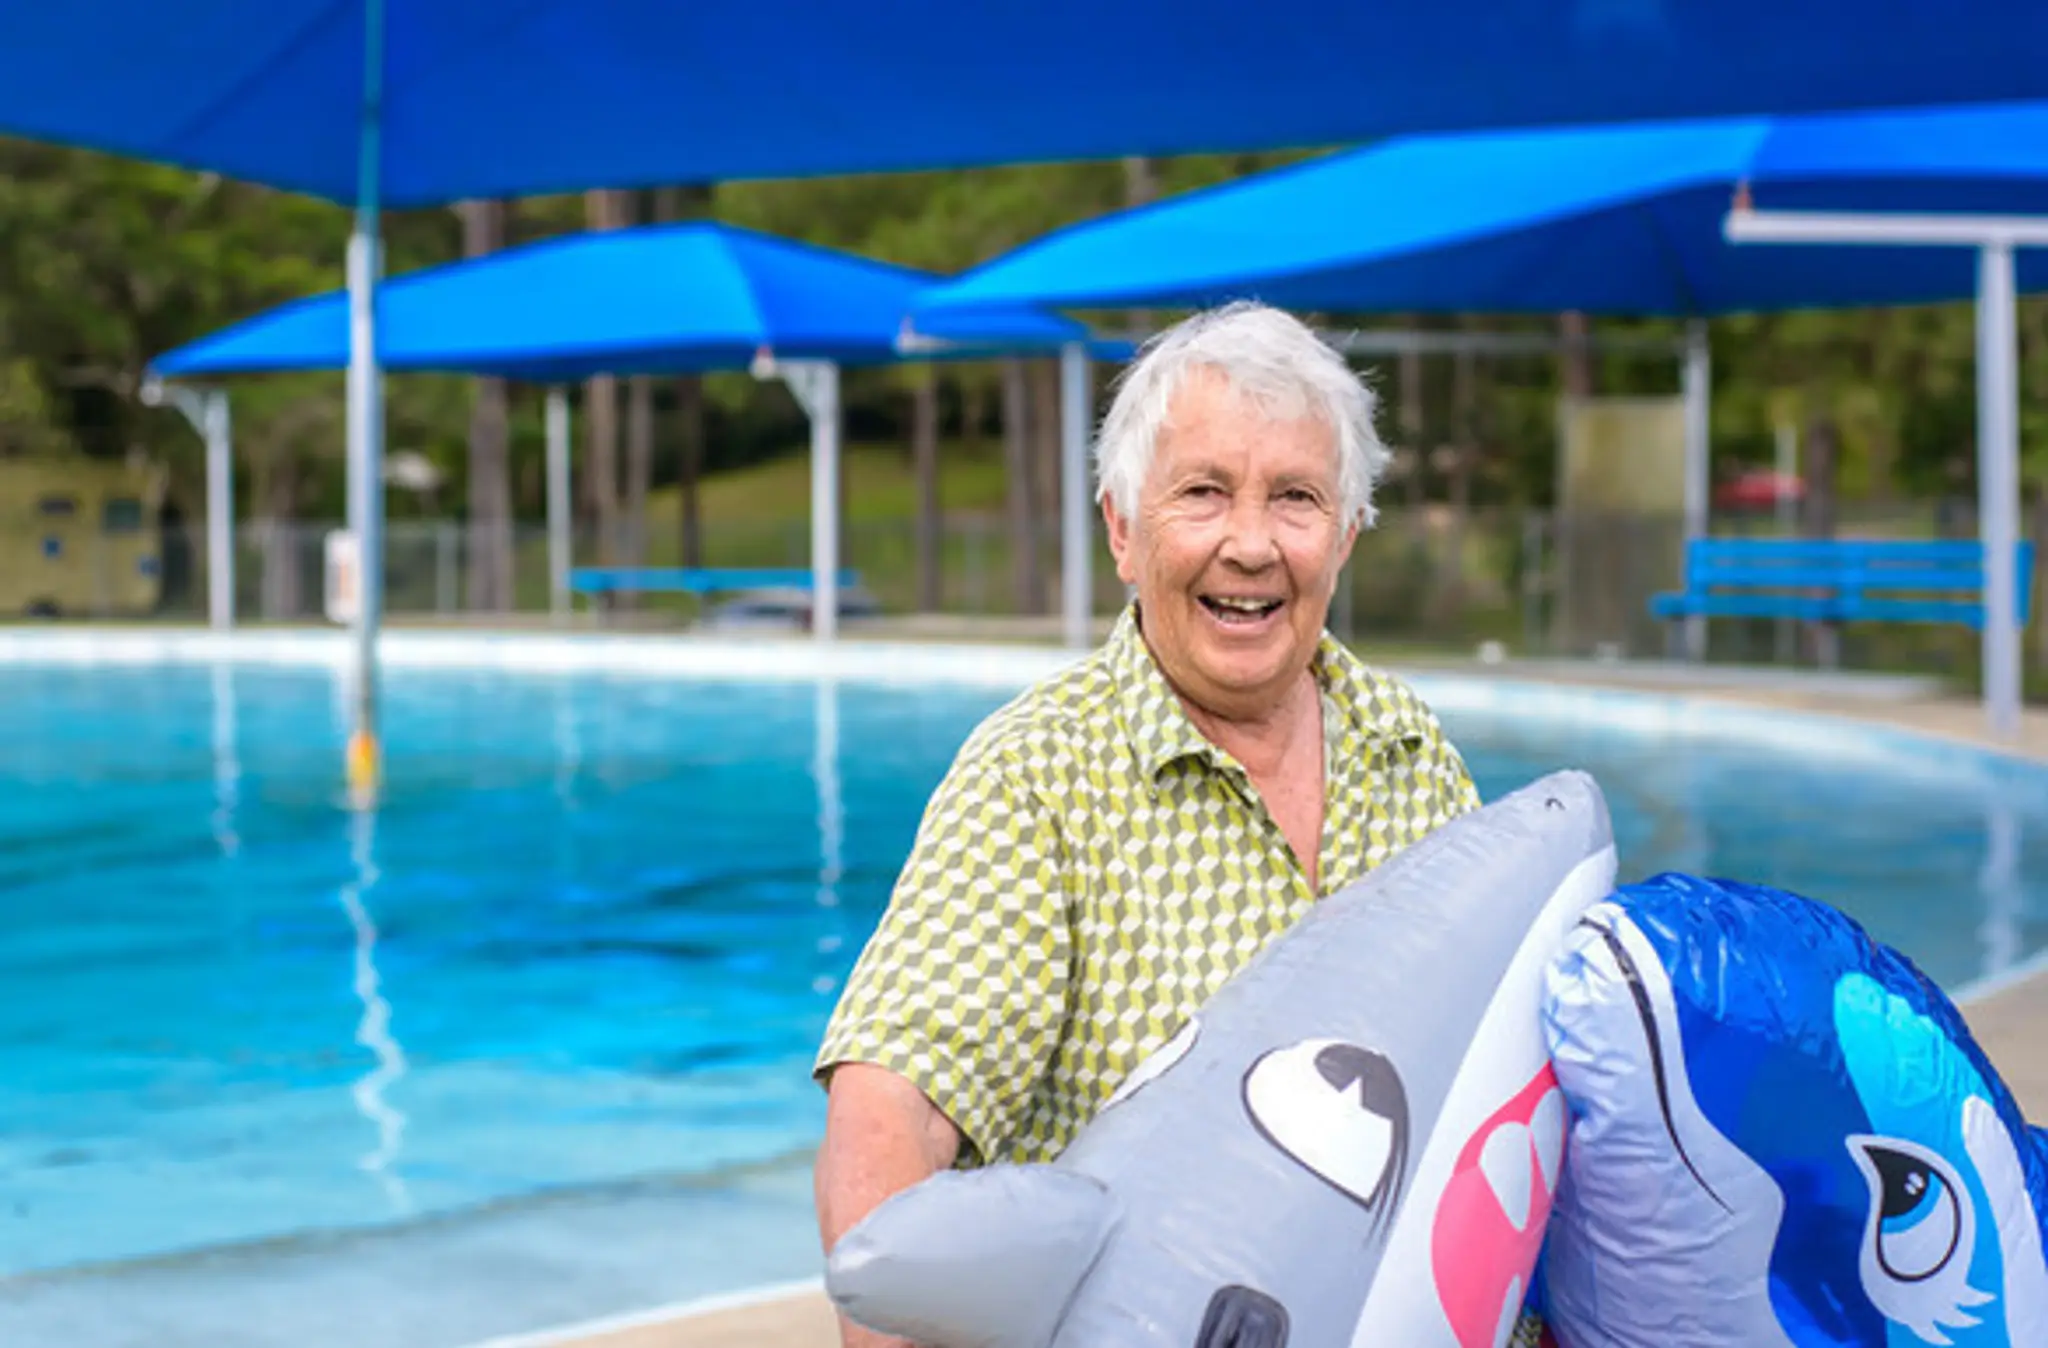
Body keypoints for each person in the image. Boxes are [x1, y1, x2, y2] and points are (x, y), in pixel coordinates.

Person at [811, 301, 1484, 1348]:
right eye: (1203, 493)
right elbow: (889, 1108)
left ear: (1344, 536)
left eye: (1295, 498)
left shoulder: (1409, 749)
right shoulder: (1040, 774)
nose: (1250, 545)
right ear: (1123, 530)